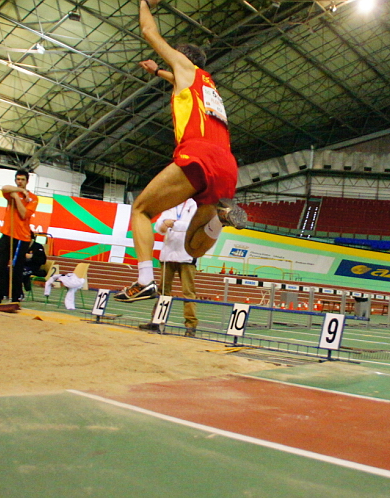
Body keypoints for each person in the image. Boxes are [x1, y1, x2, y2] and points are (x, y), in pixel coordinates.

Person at [113, 0, 246, 303]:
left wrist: (144, 3)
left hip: (200, 156)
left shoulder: (185, 67)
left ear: (182, 58)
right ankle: (221, 217)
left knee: (141, 210)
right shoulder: (208, 85)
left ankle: (145, 280)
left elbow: (148, 32)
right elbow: (177, 80)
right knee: (191, 248)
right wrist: (158, 71)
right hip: (226, 165)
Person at [138, 199, 199, 336]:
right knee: (163, 291)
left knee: (188, 292)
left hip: (187, 254)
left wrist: (173, 224)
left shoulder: (195, 205)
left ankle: (191, 326)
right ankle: (156, 322)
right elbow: (159, 227)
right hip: (168, 254)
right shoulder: (170, 205)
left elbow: (193, 226)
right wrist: (165, 224)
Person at [0, 169, 38, 309]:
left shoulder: (33, 198)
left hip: (21, 237)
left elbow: (24, 214)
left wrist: (17, 198)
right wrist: (17, 192)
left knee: (16, 269)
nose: (20, 182)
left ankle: (15, 298)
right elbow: (4, 188)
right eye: (18, 179)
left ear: (27, 181)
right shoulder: (12, 192)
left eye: (22, 180)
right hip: (7, 234)